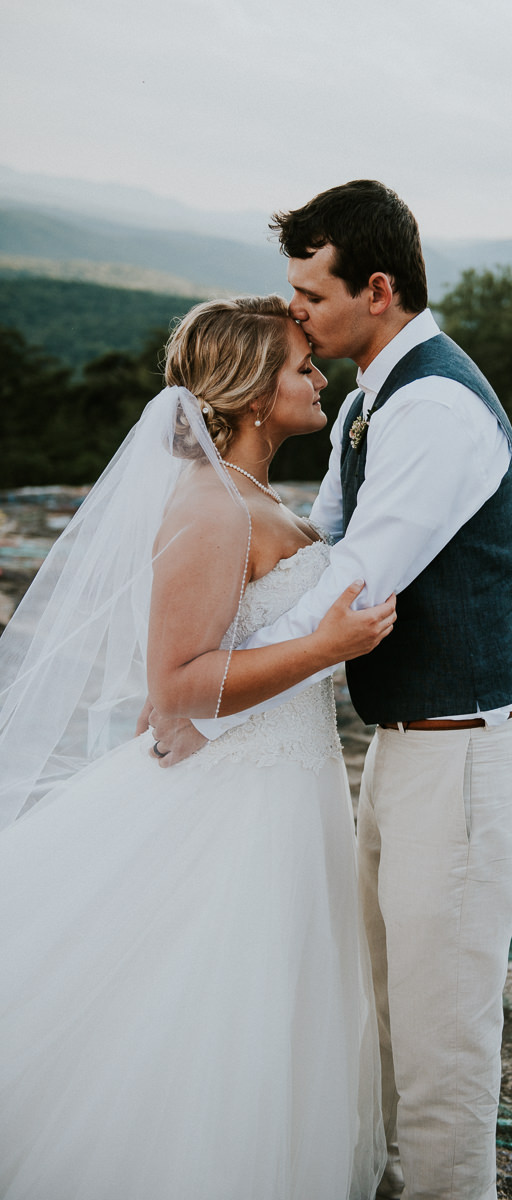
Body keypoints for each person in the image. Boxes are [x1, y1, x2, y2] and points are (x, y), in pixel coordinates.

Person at [150, 181, 512, 1200]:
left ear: (377, 290)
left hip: (460, 748)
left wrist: (210, 690)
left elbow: (356, 580)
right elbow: (320, 545)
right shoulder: (375, 395)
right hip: (404, 743)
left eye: (310, 298)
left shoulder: (437, 410)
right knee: (379, 1001)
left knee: (440, 1028)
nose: (299, 318)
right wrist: (207, 680)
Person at [0, 295, 395, 1199]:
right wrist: (327, 648)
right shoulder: (212, 507)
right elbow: (176, 681)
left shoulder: (251, 495)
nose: (318, 377)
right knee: (212, 1025)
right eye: (302, 367)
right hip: (238, 801)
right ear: (255, 394)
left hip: (289, 786)